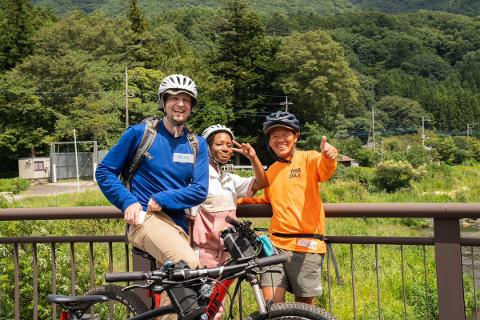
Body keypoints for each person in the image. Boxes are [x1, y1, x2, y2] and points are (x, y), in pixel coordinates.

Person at [96, 74, 209, 269]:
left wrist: (163, 198)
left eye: (186, 99)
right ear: (163, 102)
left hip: (178, 225)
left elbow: (200, 190)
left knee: (176, 288)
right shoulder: (141, 134)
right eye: (173, 97)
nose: (180, 104)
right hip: (145, 218)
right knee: (188, 265)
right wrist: (128, 201)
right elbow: (104, 171)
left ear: (191, 106)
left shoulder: (197, 144)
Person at [238, 111, 338, 305]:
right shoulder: (272, 170)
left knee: (304, 310)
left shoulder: (309, 158)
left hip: (307, 246)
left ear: (296, 137)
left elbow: (325, 170)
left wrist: (330, 156)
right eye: (275, 136)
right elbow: (267, 200)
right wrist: (235, 202)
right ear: (269, 141)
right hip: (275, 247)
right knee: (272, 307)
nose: (280, 140)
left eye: (285, 135)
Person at [191, 124, 268, 268]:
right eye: (219, 144)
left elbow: (261, 182)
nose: (226, 149)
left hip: (229, 249)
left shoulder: (229, 179)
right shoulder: (196, 177)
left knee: (222, 290)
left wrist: (252, 157)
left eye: (229, 145)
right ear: (206, 147)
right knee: (204, 290)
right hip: (203, 252)